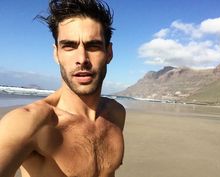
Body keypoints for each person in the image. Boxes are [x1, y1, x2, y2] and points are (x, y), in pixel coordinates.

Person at [0, 0, 126, 176]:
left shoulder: (116, 114)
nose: (82, 58)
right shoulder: (30, 123)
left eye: (93, 46)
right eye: (69, 46)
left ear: (109, 53)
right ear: (56, 53)